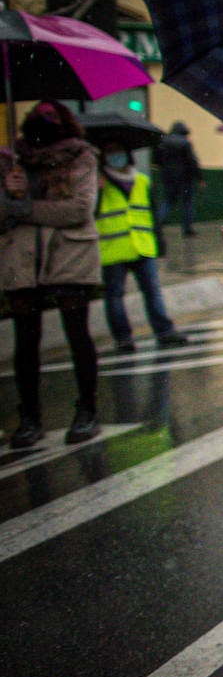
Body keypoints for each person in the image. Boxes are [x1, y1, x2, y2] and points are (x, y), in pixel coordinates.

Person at [1, 102, 103, 447]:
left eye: (51, 115)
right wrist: (12, 192)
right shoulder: (10, 162)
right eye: (37, 114)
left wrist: (23, 207)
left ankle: (87, 409)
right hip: (22, 258)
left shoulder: (82, 157)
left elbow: (78, 209)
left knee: (78, 335)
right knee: (25, 341)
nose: (42, 120)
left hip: (69, 255)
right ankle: (29, 416)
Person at [95, 138, 190, 353]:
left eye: (118, 150)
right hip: (114, 249)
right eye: (110, 151)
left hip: (143, 246)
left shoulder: (142, 181)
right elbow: (91, 214)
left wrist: (160, 242)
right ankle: (123, 338)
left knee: (153, 291)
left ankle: (164, 332)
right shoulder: (99, 183)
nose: (115, 155)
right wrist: (97, 191)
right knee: (115, 296)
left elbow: (152, 214)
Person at [154, 120, 202, 236]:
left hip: (168, 178)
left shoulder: (162, 142)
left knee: (167, 202)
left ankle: (156, 226)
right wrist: (199, 178)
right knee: (187, 204)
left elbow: (156, 160)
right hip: (185, 179)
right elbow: (192, 161)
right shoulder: (185, 143)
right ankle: (187, 230)